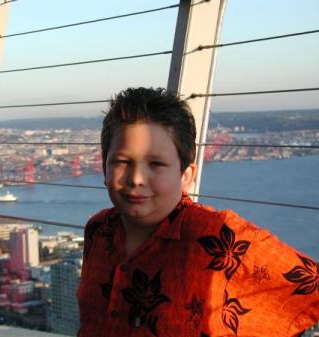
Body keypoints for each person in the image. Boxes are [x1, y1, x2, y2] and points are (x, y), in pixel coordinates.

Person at [77, 87, 318, 337]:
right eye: (122, 162)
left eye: (156, 164)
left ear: (186, 175)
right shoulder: (99, 230)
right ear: (104, 167)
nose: (136, 178)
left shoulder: (218, 239)